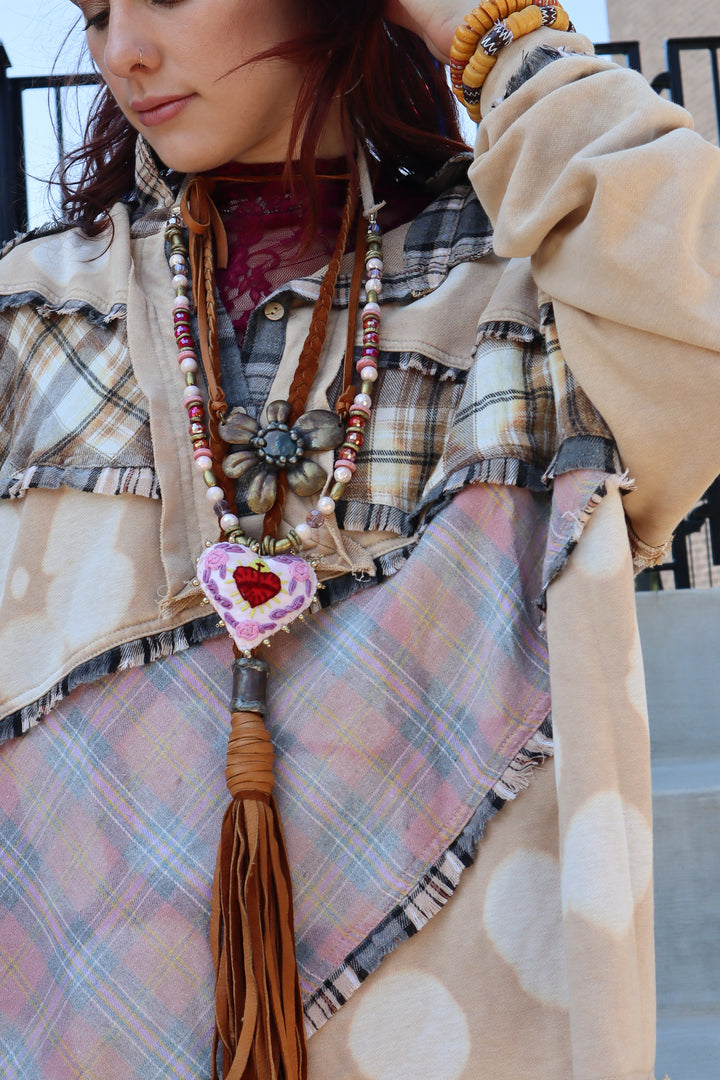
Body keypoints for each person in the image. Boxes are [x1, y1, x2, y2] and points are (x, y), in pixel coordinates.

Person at [1, 1, 719, 1077]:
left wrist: (488, 23)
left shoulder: (527, 297)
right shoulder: (38, 311)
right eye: (96, 13)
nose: (122, 52)